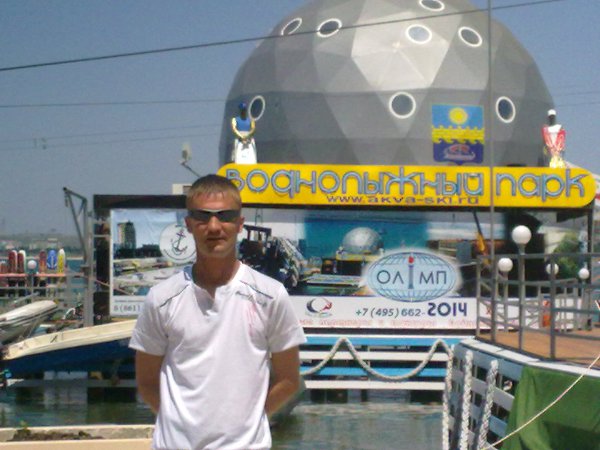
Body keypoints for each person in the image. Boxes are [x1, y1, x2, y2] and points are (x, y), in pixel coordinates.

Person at [129, 174, 306, 450]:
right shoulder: (161, 299)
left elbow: (289, 379)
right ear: (189, 225)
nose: (214, 226)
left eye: (225, 216)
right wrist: (178, 427)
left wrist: (249, 421)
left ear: (239, 224)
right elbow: (146, 382)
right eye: (203, 216)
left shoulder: (270, 296)